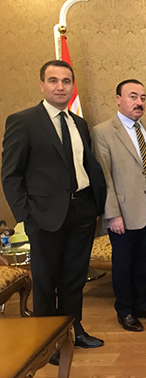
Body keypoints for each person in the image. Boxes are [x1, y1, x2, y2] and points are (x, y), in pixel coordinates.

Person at [1, 60, 107, 362]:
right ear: (42, 85)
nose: (60, 86)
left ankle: (73, 331)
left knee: (74, 278)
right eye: (53, 81)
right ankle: (47, 342)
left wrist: (96, 206)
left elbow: (85, 166)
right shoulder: (23, 121)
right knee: (46, 280)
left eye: (66, 81)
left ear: (73, 86)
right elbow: (10, 174)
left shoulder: (79, 123)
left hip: (83, 211)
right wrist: (26, 215)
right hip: (44, 216)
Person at [92, 79, 146, 332]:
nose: (139, 103)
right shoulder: (103, 131)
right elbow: (104, 177)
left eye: (143, 98)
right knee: (124, 262)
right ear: (118, 99)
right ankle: (124, 310)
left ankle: (142, 304)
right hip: (123, 212)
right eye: (133, 96)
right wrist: (112, 214)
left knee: (144, 259)